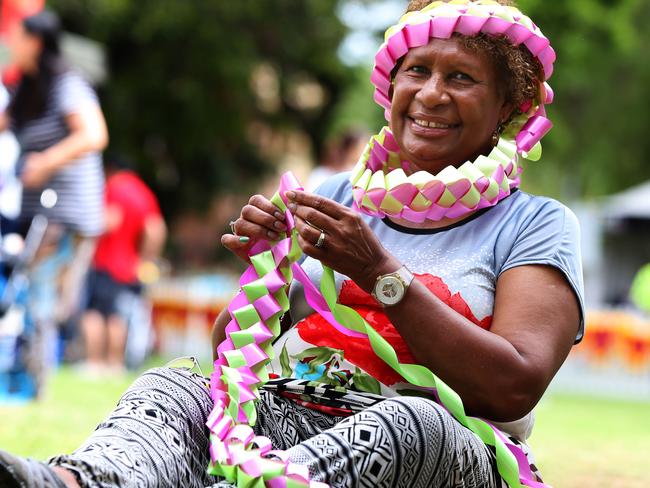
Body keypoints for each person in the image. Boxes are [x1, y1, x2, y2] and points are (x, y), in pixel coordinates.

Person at [0, 1, 583, 487]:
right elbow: (234, 351)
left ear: (508, 107)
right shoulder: (338, 195)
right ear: (393, 85)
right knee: (177, 383)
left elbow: (512, 387)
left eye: (461, 77)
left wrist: (381, 273)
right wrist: (266, 275)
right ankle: (75, 482)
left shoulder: (535, 224)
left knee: (415, 419)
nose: (430, 95)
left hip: (447, 450)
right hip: (296, 414)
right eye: (417, 71)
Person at [0, 10, 108, 348]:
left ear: (36, 42)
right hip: (38, 210)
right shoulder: (27, 91)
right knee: (32, 289)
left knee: (42, 291)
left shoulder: (67, 83)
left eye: (15, 37)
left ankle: (35, 377)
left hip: (67, 211)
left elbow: (94, 134)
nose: (8, 44)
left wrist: (46, 162)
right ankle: (30, 369)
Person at [79, 156, 166, 374]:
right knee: (118, 316)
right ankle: (115, 363)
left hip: (106, 263)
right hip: (130, 267)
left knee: (94, 313)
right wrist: (145, 258)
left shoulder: (115, 187)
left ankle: (94, 362)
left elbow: (111, 220)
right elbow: (156, 229)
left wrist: (85, 227)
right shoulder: (143, 192)